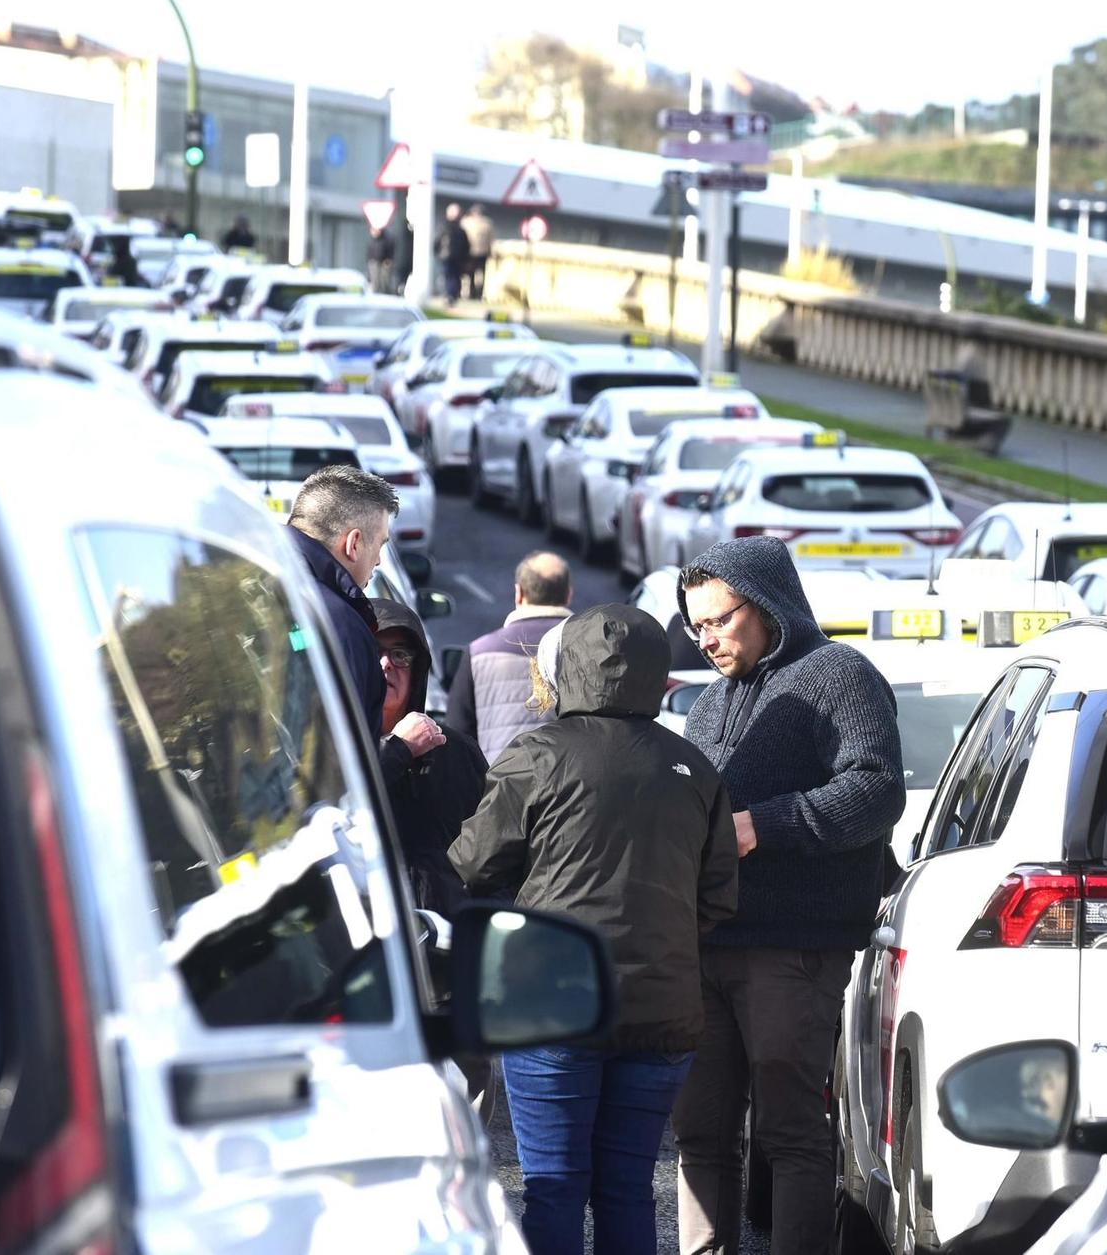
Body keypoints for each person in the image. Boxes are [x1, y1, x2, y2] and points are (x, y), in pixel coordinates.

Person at [450, 605, 738, 1255]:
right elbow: (718, 896)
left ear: (566, 668)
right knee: (627, 1188)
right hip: (661, 1006)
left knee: (553, 1185)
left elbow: (471, 859)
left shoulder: (538, 755)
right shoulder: (691, 767)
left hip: (552, 1005)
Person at [668, 536, 904, 1255]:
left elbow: (875, 789)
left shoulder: (840, 675)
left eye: (720, 620)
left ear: (768, 605)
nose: (707, 639)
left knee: (791, 1132)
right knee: (700, 1131)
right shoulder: (710, 704)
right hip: (706, 945)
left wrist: (759, 826)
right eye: (695, 626)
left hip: (793, 949)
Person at [368, 598, 486, 914]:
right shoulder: (332, 750)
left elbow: (494, 860)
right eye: (374, 650)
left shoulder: (455, 750)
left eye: (400, 655)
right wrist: (398, 749)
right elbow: (349, 802)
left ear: (417, 669)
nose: (386, 664)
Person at [285, 465, 399, 731]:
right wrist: (399, 751)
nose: (380, 560)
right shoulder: (340, 626)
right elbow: (339, 762)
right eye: (380, 544)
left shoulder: (244, 575)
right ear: (354, 544)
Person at [447, 551, 573, 762]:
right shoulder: (588, 650)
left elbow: (457, 735)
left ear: (519, 593)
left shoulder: (479, 652)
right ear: (568, 595)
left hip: (500, 788)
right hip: (572, 788)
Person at [461, 203, 495, 301]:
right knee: (475, 274)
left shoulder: (466, 222)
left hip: (475, 252)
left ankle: (475, 293)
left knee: (475, 274)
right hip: (475, 252)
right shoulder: (486, 223)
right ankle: (475, 293)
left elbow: (491, 239)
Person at [438, 202, 470, 304]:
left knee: (449, 277)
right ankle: (452, 295)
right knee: (455, 277)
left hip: (447, 257)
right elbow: (466, 246)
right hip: (457, 258)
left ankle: (449, 295)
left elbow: (437, 242)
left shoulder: (444, 228)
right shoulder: (461, 231)